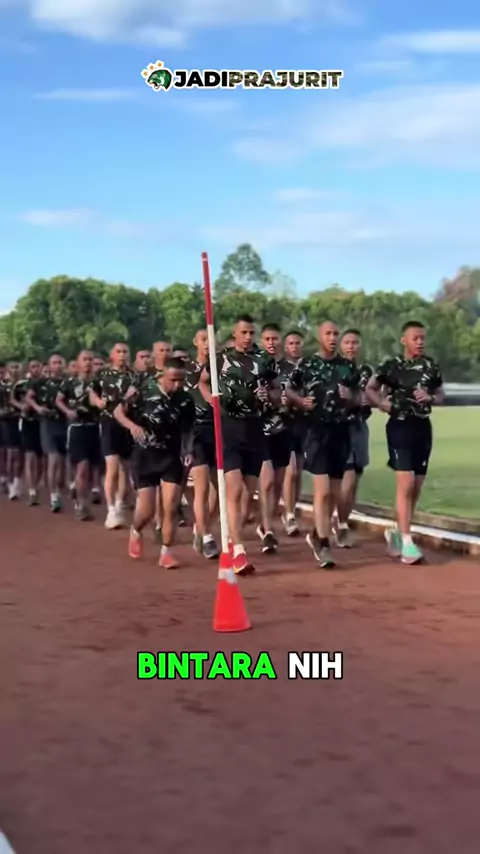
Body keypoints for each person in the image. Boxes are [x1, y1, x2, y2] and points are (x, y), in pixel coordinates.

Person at [199, 314, 278, 574]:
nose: (247, 337)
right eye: (243, 332)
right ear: (234, 333)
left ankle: (234, 539)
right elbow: (202, 381)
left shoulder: (263, 361)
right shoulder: (220, 359)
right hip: (229, 428)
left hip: (254, 429)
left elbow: (276, 391)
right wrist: (212, 401)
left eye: (251, 333)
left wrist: (268, 395)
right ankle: (239, 551)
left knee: (246, 494)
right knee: (232, 490)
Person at [366, 320, 444, 564]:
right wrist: (382, 404)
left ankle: (398, 532)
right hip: (399, 426)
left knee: (416, 486)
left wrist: (431, 397)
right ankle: (408, 541)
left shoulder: (430, 365)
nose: (420, 342)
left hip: (422, 427)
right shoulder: (391, 366)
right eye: (415, 338)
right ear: (404, 340)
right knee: (406, 483)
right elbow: (370, 388)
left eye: (423, 338)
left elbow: (441, 393)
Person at [287, 320, 360, 568]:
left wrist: (351, 397)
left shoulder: (348, 366)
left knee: (336, 493)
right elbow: (289, 389)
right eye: (328, 333)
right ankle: (325, 544)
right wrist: (301, 401)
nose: (332, 337)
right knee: (324, 490)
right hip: (316, 431)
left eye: (335, 333)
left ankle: (318, 534)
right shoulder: (307, 364)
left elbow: (360, 396)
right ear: (319, 336)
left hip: (341, 430)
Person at [114, 357, 195, 569]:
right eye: (173, 379)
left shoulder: (186, 400)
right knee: (147, 511)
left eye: (181, 380)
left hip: (171, 456)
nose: (177, 385)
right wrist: (132, 426)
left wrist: (188, 449)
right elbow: (118, 412)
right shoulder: (144, 391)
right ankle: (136, 530)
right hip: (145, 455)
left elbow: (188, 429)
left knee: (171, 506)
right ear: (163, 375)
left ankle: (166, 552)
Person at [332, 329, 373, 547]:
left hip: (359, 428)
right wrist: (356, 399)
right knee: (345, 481)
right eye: (347, 342)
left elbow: (369, 398)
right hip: (340, 428)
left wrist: (361, 399)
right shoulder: (334, 369)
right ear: (341, 345)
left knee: (355, 480)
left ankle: (342, 521)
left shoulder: (366, 371)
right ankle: (340, 524)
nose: (351, 346)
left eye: (355, 343)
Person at [256, 323, 292, 553]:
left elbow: (293, 396)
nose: (271, 342)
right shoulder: (254, 365)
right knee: (267, 480)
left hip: (283, 429)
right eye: (267, 339)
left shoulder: (288, 368)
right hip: (259, 430)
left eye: (275, 338)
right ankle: (267, 529)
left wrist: (287, 399)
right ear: (262, 341)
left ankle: (265, 522)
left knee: (278, 482)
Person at [89, 342, 134, 529]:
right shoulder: (102, 374)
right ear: (112, 355)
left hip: (128, 423)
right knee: (112, 466)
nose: (122, 354)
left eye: (125, 351)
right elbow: (92, 392)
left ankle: (119, 502)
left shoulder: (133, 375)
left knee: (126, 468)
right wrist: (98, 401)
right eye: (118, 351)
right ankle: (111, 509)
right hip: (109, 422)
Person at [184, 329, 219, 559]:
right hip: (196, 431)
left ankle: (202, 526)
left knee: (220, 489)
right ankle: (207, 536)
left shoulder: (222, 368)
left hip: (218, 430)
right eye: (204, 339)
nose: (208, 343)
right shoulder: (188, 370)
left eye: (211, 339)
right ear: (195, 342)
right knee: (202, 486)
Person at [56, 350, 102, 520]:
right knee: (82, 467)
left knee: (92, 469)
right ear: (78, 362)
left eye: (90, 359)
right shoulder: (69, 382)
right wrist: (67, 411)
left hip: (95, 428)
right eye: (85, 359)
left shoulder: (99, 383)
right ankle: (81, 505)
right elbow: (58, 400)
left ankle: (83, 495)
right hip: (77, 428)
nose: (88, 362)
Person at [26, 353, 67, 512]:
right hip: (48, 424)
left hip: (65, 424)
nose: (57, 365)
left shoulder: (69, 382)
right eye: (54, 363)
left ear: (63, 365)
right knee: (53, 459)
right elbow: (29, 398)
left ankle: (64, 488)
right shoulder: (40, 383)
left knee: (64, 463)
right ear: (49, 366)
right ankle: (54, 497)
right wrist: (38, 408)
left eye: (59, 362)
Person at [280, 330, 305, 536]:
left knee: (299, 473)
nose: (295, 346)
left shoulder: (308, 368)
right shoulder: (280, 368)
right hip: (284, 423)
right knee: (291, 470)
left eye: (298, 343)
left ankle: (292, 510)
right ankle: (288, 514)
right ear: (285, 346)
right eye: (291, 343)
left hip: (303, 423)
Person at [12, 358, 43, 505]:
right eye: (33, 366)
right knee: (30, 456)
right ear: (28, 369)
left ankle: (36, 484)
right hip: (27, 422)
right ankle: (32, 490)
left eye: (38, 366)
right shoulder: (21, 385)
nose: (35, 369)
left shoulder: (45, 384)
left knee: (41, 460)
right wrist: (21, 406)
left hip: (42, 424)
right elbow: (12, 399)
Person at [2, 360, 23, 499]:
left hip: (23, 422)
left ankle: (16, 482)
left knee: (20, 456)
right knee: (11, 454)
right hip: (8, 423)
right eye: (12, 367)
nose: (14, 370)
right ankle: (10, 484)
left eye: (17, 367)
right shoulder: (4, 387)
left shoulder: (23, 386)